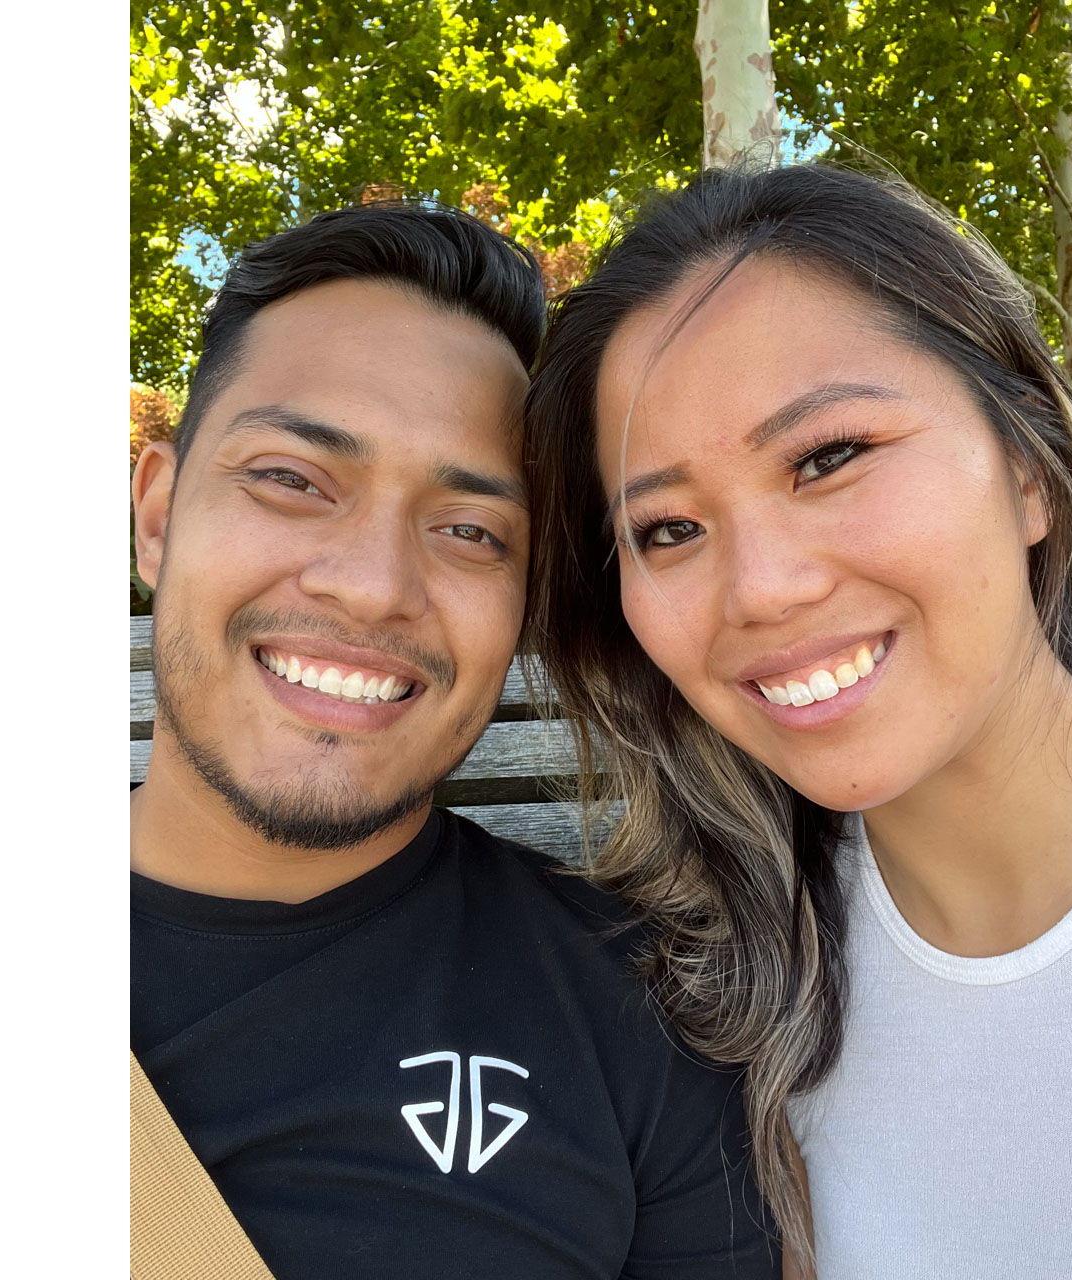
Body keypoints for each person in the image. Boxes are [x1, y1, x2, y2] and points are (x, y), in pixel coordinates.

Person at [130, 201, 779, 1280]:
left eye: (471, 531)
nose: (372, 586)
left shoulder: (644, 1013)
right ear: (156, 515)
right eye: (291, 479)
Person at [524, 164, 1072, 1279]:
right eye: (668, 529)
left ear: (1025, 466)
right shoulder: (720, 994)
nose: (762, 590)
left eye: (828, 459)